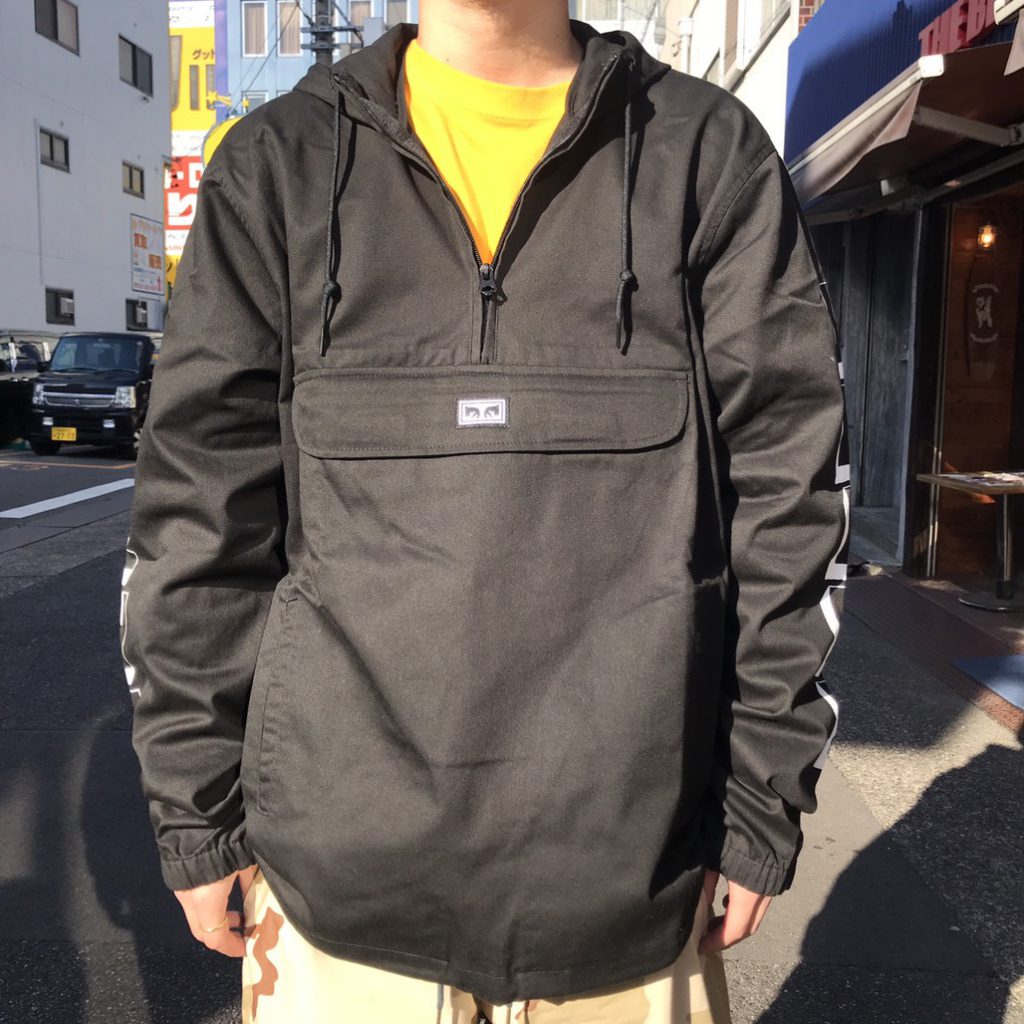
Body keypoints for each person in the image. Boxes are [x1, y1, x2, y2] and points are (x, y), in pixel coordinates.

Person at [119, 2, 849, 1021]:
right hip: (334, 897)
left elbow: (789, 500)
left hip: (634, 883)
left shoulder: (704, 155)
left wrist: (761, 800)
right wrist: (197, 813)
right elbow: (199, 514)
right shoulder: (277, 166)